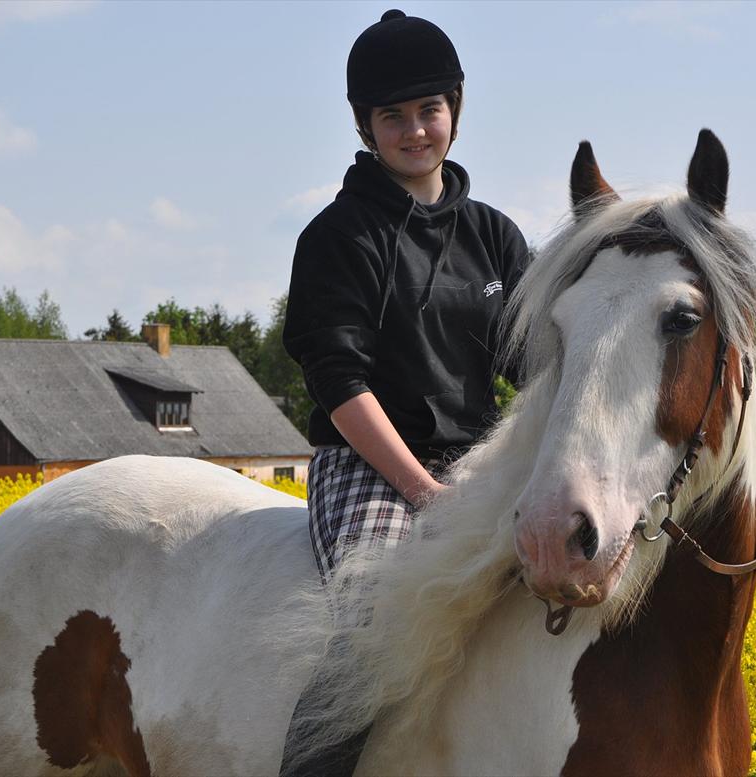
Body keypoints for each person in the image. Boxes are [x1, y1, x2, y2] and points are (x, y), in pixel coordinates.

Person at [279, 9, 531, 776]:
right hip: (372, 468)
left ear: (455, 109)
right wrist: (424, 490)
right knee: (375, 629)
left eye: (430, 109)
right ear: (366, 126)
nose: (416, 130)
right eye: (394, 116)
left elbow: (534, 362)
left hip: (479, 462)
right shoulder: (337, 237)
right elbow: (339, 380)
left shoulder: (495, 236)